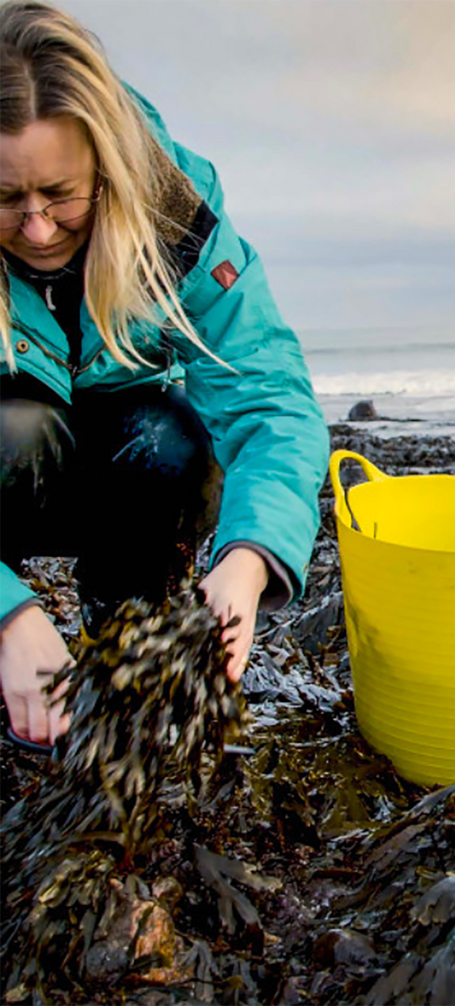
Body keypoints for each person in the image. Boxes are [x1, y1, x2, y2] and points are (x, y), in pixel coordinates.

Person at [0, 1, 329, 749]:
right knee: (11, 431)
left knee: (171, 441)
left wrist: (248, 559)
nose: (38, 229)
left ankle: (120, 651)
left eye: (60, 194)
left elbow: (269, 397)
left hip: (120, 456)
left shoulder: (172, 212)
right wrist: (9, 614)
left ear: (109, 168)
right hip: (10, 457)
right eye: (6, 199)